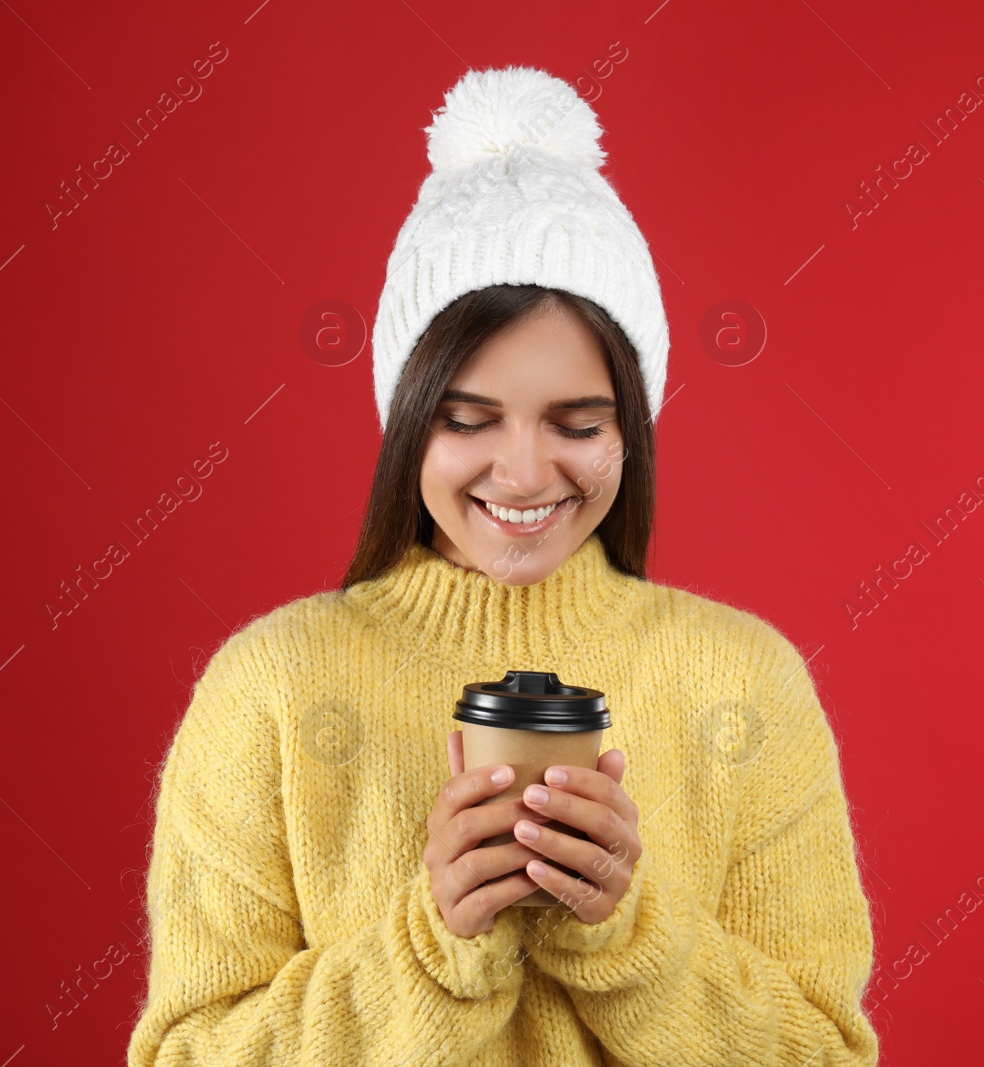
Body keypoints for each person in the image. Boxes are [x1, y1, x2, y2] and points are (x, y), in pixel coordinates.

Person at [127, 65, 880, 1066]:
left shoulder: (745, 680)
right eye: (467, 420)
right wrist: (428, 949)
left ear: (633, 431)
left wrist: (627, 934)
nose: (522, 471)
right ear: (405, 423)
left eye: (577, 422)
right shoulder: (269, 685)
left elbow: (824, 1055)